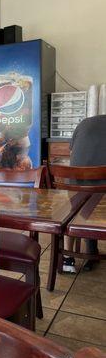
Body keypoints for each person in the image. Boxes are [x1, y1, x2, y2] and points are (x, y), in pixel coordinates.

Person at [62, 114, 106, 273]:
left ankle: (68, 260)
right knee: (95, 203)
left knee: (74, 210)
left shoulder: (85, 123)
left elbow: (71, 151)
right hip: (101, 197)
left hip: (76, 191)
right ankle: (90, 255)